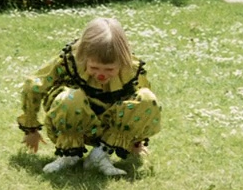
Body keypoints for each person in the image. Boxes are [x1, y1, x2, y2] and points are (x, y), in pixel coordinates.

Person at [17, 17, 162, 175]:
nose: (101, 75)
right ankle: (68, 155)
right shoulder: (70, 61)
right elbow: (34, 85)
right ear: (84, 57)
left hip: (108, 127)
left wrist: (136, 140)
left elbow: (142, 107)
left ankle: (99, 155)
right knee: (71, 98)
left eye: (109, 70)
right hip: (73, 123)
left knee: (147, 97)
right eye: (94, 67)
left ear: (122, 61)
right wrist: (31, 129)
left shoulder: (131, 71)